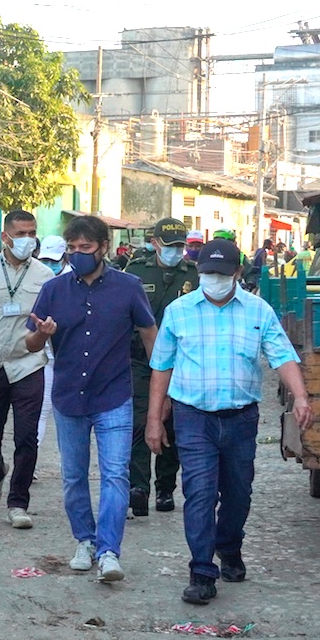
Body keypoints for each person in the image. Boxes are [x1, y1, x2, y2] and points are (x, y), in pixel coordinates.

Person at [145, 239, 314, 605]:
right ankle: (202, 571)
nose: (214, 279)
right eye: (208, 273)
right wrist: (154, 419)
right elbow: (161, 366)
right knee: (200, 493)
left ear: (237, 273)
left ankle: (229, 545)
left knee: (238, 492)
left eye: (222, 273)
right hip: (194, 417)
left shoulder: (258, 311)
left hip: (240, 419)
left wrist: (300, 395)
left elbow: (282, 355)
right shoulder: (179, 312)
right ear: (198, 272)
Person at [26, 215, 157, 582]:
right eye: (72, 248)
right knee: (73, 476)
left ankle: (109, 551)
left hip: (114, 395)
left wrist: (160, 386)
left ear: (103, 248)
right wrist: (42, 334)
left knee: (115, 475)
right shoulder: (54, 290)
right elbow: (31, 342)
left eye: (85, 248)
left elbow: (149, 334)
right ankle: (84, 540)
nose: (77, 254)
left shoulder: (129, 287)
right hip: (69, 397)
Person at [0, 210, 54, 530]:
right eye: (20, 234)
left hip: (28, 363)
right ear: (5, 237)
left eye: (32, 233)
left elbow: (47, 320)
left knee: (27, 436)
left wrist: (45, 335)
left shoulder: (45, 276)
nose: (28, 240)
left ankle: (18, 502)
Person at [124, 218, 198, 517]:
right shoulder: (136, 271)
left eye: (180, 246)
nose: (175, 251)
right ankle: (138, 487)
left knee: (174, 424)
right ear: (155, 244)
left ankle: (165, 487)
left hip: (183, 360)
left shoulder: (194, 274)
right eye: (169, 246)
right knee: (141, 420)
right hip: (141, 359)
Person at [35, 235, 71, 449]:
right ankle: (31, 462)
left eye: (54, 260)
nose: (49, 265)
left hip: (71, 359)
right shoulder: (37, 278)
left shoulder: (74, 281)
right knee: (41, 410)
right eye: (45, 260)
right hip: (46, 357)